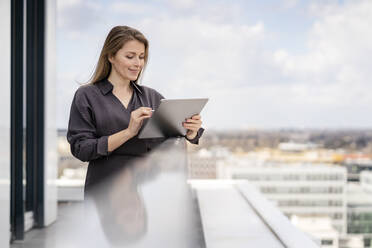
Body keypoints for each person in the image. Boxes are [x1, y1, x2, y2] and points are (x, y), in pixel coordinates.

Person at [67, 26, 204, 195]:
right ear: (111, 56)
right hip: (105, 193)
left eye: (141, 57)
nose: (138, 63)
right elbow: (81, 149)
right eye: (130, 56)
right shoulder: (87, 95)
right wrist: (128, 132)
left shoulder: (152, 96)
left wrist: (190, 131)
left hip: (148, 192)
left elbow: (172, 140)